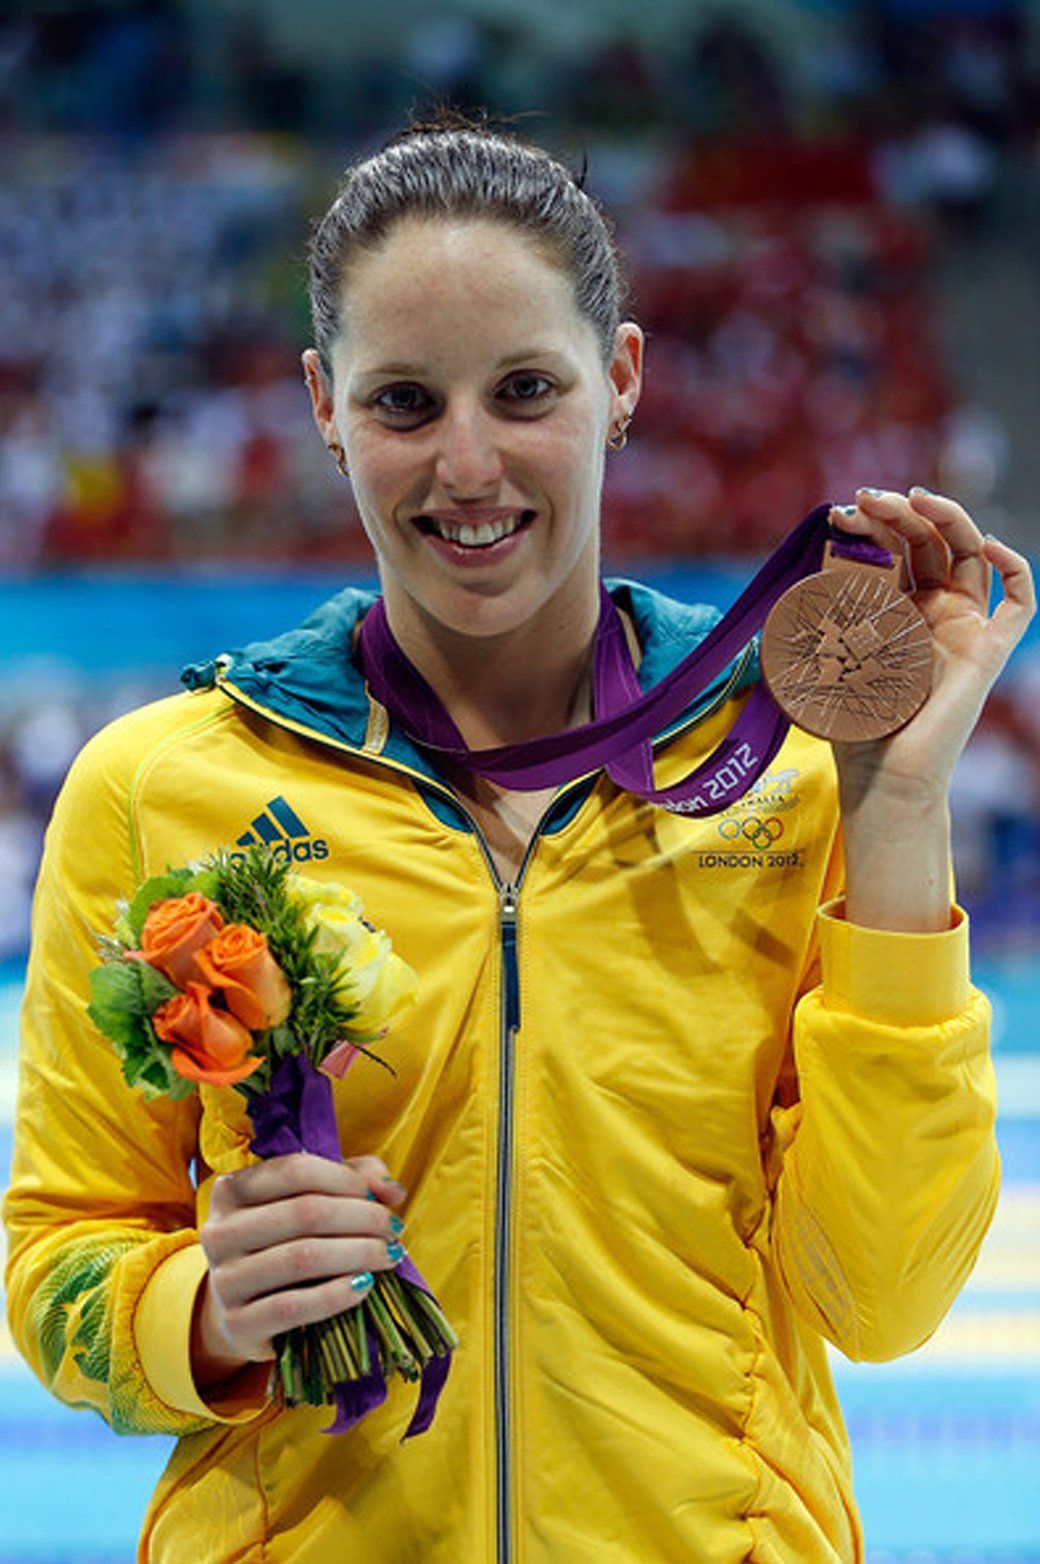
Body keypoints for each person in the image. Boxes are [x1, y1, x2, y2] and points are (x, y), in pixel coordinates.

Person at [4, 115, 1035, 1564]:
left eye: (526, 389)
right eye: (406, 402)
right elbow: (56, 1265)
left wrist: (898, 806)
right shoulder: (157, 789)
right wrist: (205, 1313)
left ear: (621, 382)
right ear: (322, 404)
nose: (468, 466)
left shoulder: (792, 778)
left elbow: (886, 1295)